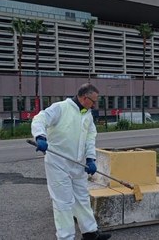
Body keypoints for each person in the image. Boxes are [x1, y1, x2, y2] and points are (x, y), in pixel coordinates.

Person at [31, 83, 111, 240]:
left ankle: (90, 233)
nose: (94, 105)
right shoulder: (61, 108)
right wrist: (40, 136)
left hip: (78, 164)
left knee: (82, 198)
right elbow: (40, 118)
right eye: (93, 101)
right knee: (63, 203)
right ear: (83, 97)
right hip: (58, 163)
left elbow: (90, 138)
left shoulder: (87, 115)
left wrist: (90, 158)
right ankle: (66, 237)